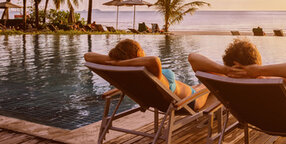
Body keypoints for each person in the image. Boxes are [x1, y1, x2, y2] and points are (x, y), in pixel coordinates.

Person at [188, 38, 286, 114]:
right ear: (257, 63)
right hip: (281, 119)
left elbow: (193, 58)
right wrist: (260, 71)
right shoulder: (273, 83)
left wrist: (224, 70)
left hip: (246, 116)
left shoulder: (225, 80)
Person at [84, 39, 212, 109]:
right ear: (137, 54)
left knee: (199, 84)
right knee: (211, 82)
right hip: (189, 101)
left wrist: (117, 61)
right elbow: (154, 60)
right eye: (141, 49)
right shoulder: (149, 69)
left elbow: (88, 56)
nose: (144, 51)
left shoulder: (131, 73)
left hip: (169, 98)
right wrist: (119, 62)